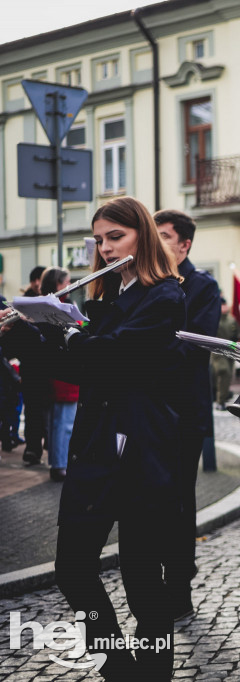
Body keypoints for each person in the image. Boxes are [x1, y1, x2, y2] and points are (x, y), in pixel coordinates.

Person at [3, 196, 187, 680]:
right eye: (100, 239)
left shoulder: (165, 296)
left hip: (140, 447)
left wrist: (64, 329)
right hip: (97, 445)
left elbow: (112, 356)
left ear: (141, 236)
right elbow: (75, 365)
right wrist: (28, 328)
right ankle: (121, 670)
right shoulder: (103, 297)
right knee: (73, 570)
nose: (105, 249)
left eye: (116, 237)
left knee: (144, 578)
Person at [154, 208, 221, 620]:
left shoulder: (203, 287)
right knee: (150, 502)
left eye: (164, 236)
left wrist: (142, 351)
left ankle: (179, 586)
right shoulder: (147, 283)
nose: (156, 242)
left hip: (184, 413)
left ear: (184, 245)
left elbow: (193, 350)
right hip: (147, 410)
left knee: (178, 501)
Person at [38, 268, 77, 483]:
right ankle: (60, 464)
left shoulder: (41, 305)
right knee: (64, 423)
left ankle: (57, 462)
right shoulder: (61, 307)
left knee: (55, 422)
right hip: (65, 374)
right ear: (59, 285)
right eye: (68, 282)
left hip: (50, 373)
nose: (70, 285)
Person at [19, 265, 50, 466]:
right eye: (41, 279)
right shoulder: (25, 304)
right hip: (31, 365)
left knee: (45, 408)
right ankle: (32, 449)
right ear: (34, 282)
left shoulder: (47, 301)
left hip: (45, 366)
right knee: (32, 408)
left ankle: (45, 445)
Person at [212, 297, 240, 409]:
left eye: (225, 305)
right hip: (218, 351)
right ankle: (219, 400)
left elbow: (236, 334)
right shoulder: (215, 319)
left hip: (230, 351)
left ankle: (223, 398)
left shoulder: (231, 319)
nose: (224, 308)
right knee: (223, 372)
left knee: (228, 375)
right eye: (222, 306)